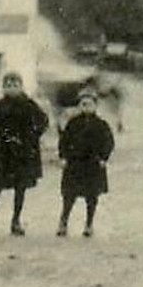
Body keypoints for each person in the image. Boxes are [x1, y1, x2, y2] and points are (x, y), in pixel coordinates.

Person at [0, 72, 48, 238]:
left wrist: (31, 137)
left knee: (20, 187)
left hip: (22, 153)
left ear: (21, 86)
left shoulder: (29, 105)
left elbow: (43, 122)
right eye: (7, 85)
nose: (11, 88)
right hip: (3, 152)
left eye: (14, 85)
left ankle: (16, 221)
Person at [57, 87, 115, 238]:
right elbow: (64, 140)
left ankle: (89, 224)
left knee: (92, 196)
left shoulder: (101, 125)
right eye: (83, 104)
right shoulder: (73, 123)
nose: (86, 107)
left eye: (89, 104)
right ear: (79, 106)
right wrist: (63, 157)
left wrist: (103, 158)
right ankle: (63, 221)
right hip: (74, 165)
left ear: (95, 106)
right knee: (69, 196)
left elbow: (108, 142)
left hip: (93, 166)